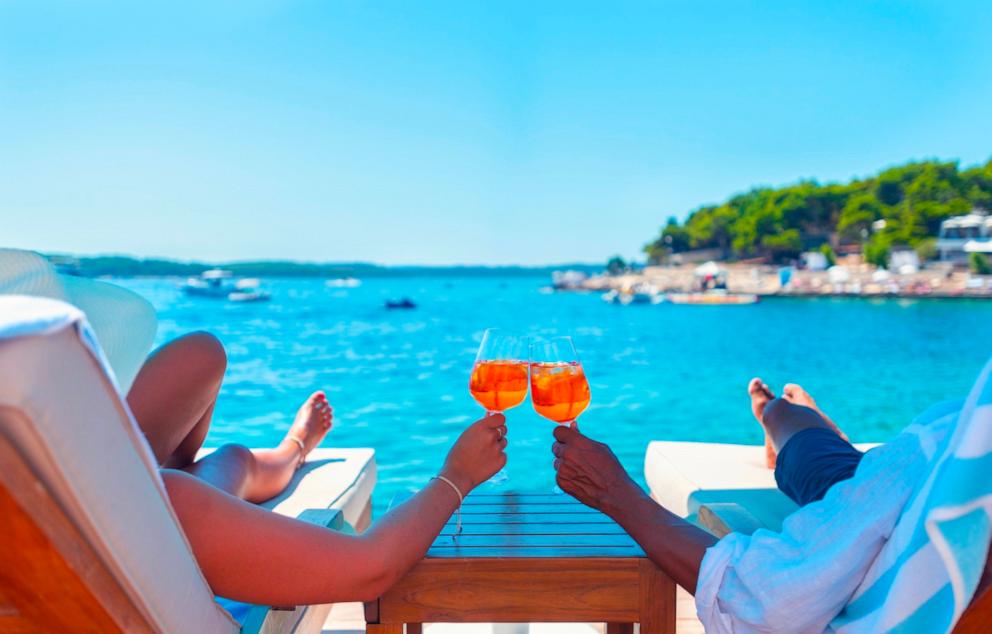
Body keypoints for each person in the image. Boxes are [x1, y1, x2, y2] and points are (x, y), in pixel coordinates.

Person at [551, 377, 992, 632]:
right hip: (903, 485)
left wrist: (616, 493)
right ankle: (794, 428)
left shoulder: (967, 451)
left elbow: (769, 599)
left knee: (812, 450)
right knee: (826, 462)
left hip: (909, 485)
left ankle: (777, 417)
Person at [131, 331, 508, 606]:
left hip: (116, 472)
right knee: (206, 474)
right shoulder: (169, 509)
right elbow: (369, 568)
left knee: (203, 356)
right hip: (149, 512)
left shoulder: (150, 492)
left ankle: (292, 449)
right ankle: (291, 448)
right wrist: (457, 475)